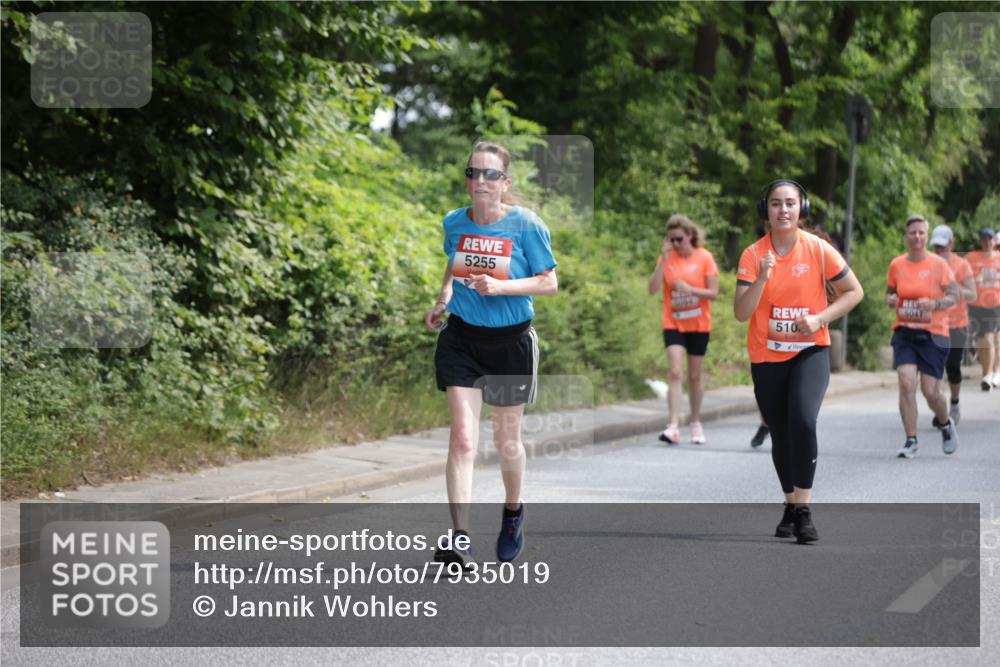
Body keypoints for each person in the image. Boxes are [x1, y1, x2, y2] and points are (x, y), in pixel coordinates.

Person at [424, 141, 557, 567]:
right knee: (463, 438)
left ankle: (513, 511)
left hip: (511, 343)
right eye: (473, 173)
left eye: (490, 174)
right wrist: (443, 298)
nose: (480, 180)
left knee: (505, 442)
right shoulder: (454, 221)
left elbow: (548, 282)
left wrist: (502, 287)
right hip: (462, 339)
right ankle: (459, 537)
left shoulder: (526, 225)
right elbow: (453, 262)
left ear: (505, 183)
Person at [734, 179, 863, 544]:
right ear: (766, 210)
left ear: (801, 209)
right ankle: (790, 505)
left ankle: (804, 511)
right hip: (766, 355)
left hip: (810, 351)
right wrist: (762, 278)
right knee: (780, 432)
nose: (783, 210)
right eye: (776, 203)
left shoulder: (819, 250)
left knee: (803, 421)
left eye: (790, 203)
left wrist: (820, 318)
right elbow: (741, 313)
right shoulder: (753, 255)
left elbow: (854, 291)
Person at [886, 216, 961, 459]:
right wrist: (891, 300)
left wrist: (935, 304)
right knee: (906, 382)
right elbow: (890, 293)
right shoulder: (897, 265)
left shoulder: (939, 264)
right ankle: (911, 440)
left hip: (933, 334)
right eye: (913, 233)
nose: (917, 236)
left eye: (921, 232)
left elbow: (955, 296)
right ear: (906, 236)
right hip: (905, 332)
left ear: (926, 236)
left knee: (931, 392)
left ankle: (945, 423)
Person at [647, 214, 720, 444]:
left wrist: (690, 290)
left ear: (690, 235)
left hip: (699, 324)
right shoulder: (667, 257)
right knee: (675, 372)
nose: (675, 244)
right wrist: (663, 259)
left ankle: (696, 422)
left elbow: (714, 293)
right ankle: (673, 426)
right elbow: (652, 288)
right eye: (671, 239)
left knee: (695, 376)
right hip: (673, 323)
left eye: (679, 239)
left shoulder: (704, 257)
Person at [929, 224, 977, 424]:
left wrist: (955, 289)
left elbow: (973, 294)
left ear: (951, 243)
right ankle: (941, 411)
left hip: (957, 324)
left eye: (942, 246)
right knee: (936, 368)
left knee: (952, 368)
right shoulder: (929, 264)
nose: (938, 250)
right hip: (935, 323)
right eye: (935, 247)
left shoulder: (962, 265)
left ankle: (954, 402)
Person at [965, 228, 1000, 391]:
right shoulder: (972, 258)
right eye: (984, 239)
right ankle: (986, 373)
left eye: (989, 239)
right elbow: (963, 276)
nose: (987, 242)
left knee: (989, 337)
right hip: (976, 305)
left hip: (994, 304)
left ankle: (989, 374)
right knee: (980, 341)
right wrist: (973, 280)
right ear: (980, 241)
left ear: (994, 241)